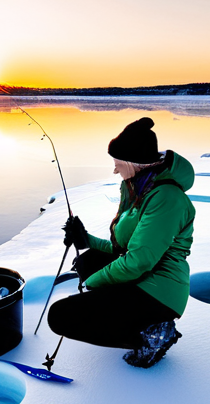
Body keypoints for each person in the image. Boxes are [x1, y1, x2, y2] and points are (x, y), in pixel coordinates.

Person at [47, 117, 196, 368]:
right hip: (144, 275)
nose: (115, 170)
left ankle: (154, 336)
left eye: (117, 164)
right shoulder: (138, 186)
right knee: (87, 261)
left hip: (160, 290)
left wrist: (93, 283)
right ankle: (126, 315)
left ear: (133, 163)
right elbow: (123, 249)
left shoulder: (166, 198)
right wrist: (85, 239)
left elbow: (138, 261)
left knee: (60, 316)